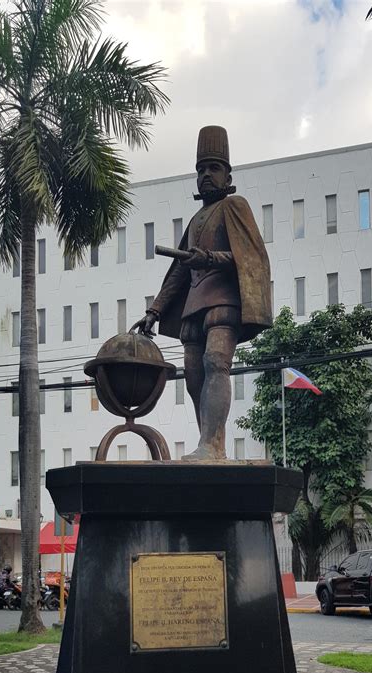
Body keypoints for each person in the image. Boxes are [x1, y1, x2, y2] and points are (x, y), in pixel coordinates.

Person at [132, 125, 272, 461]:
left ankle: (214, 444)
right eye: (201, 170)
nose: (206, 175)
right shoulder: (196, 219)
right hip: (193, 308)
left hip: (223, 303)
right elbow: (179, 271)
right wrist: (155, 311)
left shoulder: (234, 206)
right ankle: (206, 441)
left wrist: (209, 257)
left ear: (227, 175)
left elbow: (251, 258)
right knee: (194, 376)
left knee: (216, 363)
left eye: (214, 168)